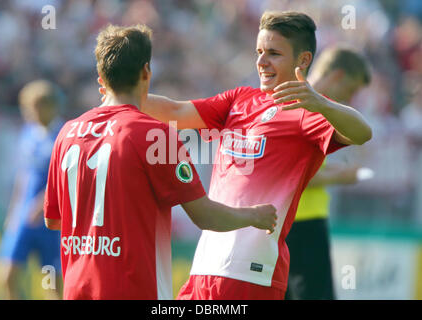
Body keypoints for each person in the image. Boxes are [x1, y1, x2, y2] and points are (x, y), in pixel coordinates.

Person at [98, 11, 372, 300]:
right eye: (259, 51)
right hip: (206, 266)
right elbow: (175, 111)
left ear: (303, 60)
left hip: (249, 273)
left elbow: (362, 133)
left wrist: (321, 103)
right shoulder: (240, 99)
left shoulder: (306, 111)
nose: (262, 61)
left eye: (274, 53)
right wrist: (117, 95)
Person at [43, 24, 277, 300]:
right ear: (146, 72)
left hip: (76, 290)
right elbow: (205, 215)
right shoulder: (156, 136)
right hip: (134, 290)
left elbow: (53, 220)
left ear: (100, 79)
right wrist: (255, 216)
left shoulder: (67, 132)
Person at [285, 46, 372, 300]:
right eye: (350, 90)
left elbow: (302, 165)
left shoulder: (296, 104)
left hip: (285, 224)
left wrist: (336, 170)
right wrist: (341, 177)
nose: (350, 98)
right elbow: (294, 175)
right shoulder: (311, 109)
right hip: (304, 223)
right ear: (337, 76)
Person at [0, 80, 64, 300]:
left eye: (33, 108)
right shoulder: (28, 134)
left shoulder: (64, 136)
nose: (29, 113)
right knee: (6, 276)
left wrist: (42, 203)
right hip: (24, 217)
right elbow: (23, 176)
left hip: (50, 223)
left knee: (50, 284)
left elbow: (65, 178)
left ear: (49, 107)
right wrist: (14, 210)